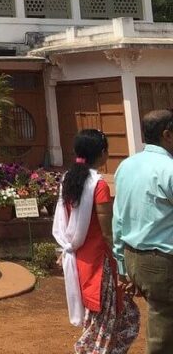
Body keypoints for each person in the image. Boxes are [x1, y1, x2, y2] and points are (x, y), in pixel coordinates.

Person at [53, 129, 139, 354]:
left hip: (80, 259)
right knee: (103, 323)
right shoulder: (98, 185)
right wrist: (123, 264)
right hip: (100, 265)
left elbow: (66, 221)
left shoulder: (68, 180)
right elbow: (108, 232)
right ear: (102, 153)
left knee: (119, 316)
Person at [113, 109, 173, 354]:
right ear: (167, 134)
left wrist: (122, 266)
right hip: (161, 262)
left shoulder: (126, 165)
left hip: (133, 257)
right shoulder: (168, 169)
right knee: (164, 331)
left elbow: (118, 219)